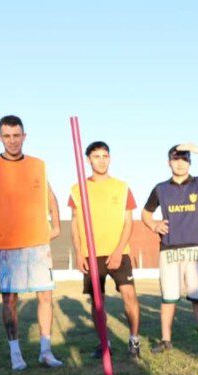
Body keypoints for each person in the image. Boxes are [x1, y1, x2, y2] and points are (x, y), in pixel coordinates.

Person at [0, 115, 63, 370]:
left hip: (37, 243)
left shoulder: (38, 165)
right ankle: (15, 354)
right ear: (0, 137)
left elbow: (50, 196)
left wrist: (56, 225)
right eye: (7, 136)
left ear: (24, 136)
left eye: (16, 135)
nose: (12, 141)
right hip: (7, 245)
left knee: (45, 296)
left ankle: (46, 351)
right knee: (10, 300)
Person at [142, 144, 198, 354]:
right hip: (170, 249)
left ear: (190, 162)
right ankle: (165, 340)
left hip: (196, 250)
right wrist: (154, 225)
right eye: (176, 159)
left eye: (185, 159)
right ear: (169, 162)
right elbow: (145, 213)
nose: (180, 163)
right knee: (169, 298)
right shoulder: (160, 188)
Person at [69, 141, 142, 358]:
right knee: (97, 301)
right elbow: (74, 223)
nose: (101, 160)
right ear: (88, 160)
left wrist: (118, 251)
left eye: (105, 156)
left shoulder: (122, 187)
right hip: (91, 255)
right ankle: (104, 343)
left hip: (118, 252)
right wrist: (79, 252)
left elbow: (128, 222)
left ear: (110, 158)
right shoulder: (77, 189)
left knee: (129, 294)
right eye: (96, 156)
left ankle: (134, 339)